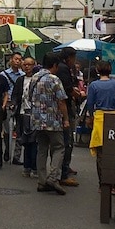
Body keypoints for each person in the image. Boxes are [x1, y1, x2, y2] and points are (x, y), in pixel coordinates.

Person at [28, 52, 69, 195]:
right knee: (59, 147)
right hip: (53, 121)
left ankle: (41, 181)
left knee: (42, 149)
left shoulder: (34, 77)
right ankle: (53, 177)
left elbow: (29, 96)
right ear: (55, 65)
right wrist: (66, 119)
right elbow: (62, 101)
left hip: (37, 120)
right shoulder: (54, 79)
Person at [84, 59, 115, 182]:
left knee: (101, 153)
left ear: (97, 70)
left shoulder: (93, 85)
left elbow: (90, 104)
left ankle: (103, 182)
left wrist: (91, 117)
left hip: (99, 118)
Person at [56, 48, 84, 185]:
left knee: (64, 142)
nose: (74, 61)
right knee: (66, 142)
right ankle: (63, 173)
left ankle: (63, 169)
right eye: (73, 58)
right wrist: (78, 94)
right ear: (69, 58)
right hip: (64, 109)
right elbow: (67, 89)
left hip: (63, 109)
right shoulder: (63, 69)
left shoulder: (64, 68)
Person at [12, 55, 38, 177]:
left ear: (34, 65)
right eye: (25, 64)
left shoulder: (37, 79)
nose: (27, 66)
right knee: (25, 141)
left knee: (34, 142)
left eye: (29, 64)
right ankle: (26, 167)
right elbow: (15, 96)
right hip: (22, 114)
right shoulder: (20, 80)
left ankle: (34, 167)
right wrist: (14, 105)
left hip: (34, 115)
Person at [0, 52, 24, 165]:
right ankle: (7, 150)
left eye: (20, 59)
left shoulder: (23, 75)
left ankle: (16, 156)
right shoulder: (3, 74)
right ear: (11, 60)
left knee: (19, 130)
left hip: (19, 104)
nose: (17, 61)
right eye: (16, 59)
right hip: (8, 103)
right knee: (7, 129)